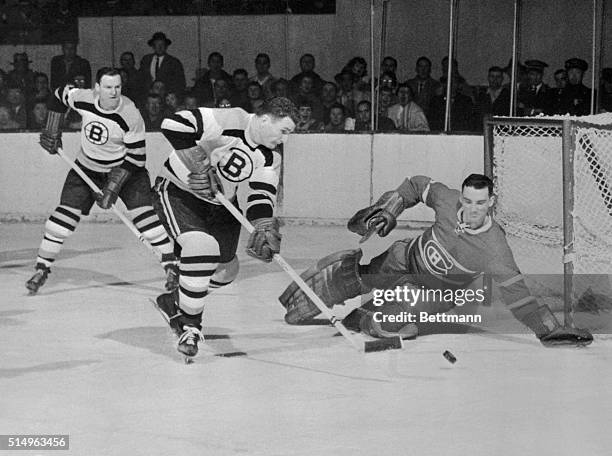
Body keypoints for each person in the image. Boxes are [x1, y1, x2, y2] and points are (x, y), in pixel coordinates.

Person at [279, 174, 593, 347]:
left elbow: (519, 296)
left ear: (491, 204)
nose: (471, 209)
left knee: (382, 324)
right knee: (361, 275)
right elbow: (416, 185)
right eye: (468, 201)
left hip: (436, 293)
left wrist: (548, 329)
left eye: (480, 204)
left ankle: (367, 313)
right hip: (406, 259)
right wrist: (389, 208)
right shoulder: (447, 199)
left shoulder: (495, 249)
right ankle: (348, 282)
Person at [151, 97, 297, 358]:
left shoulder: (270, 156)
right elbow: (172, 124)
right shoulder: (231, 120)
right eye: (283, 131)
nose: (285, 139)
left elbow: (260, 196)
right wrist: (199, 164)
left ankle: (177, 300)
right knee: (202, 248)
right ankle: (190, 327)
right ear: (265, 119)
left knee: (227, 270)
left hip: (221, 204)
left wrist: (263, 227)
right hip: (179, 192)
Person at [27, 67, 178, 294]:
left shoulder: (130, 115)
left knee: (146, 219)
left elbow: (137, 157)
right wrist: (52, 127)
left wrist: (112, 187)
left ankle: (171, 264)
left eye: (117, 87)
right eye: (108, 87)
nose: (114, 92)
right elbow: (58, 95)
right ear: (97, 88)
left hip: (127, 169)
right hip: (86, 168)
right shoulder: (83, 98)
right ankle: (42, 267)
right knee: (61, 220)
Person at [139, 32, 186, 96]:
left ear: (166, 46)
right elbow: (141, 78)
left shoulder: (174, 62)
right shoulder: (146, 60)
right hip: (148, 97)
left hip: (166, 96)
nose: (160, 47)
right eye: (157, 44)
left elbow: (180, 82)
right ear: (153, 46)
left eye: (162, 44)